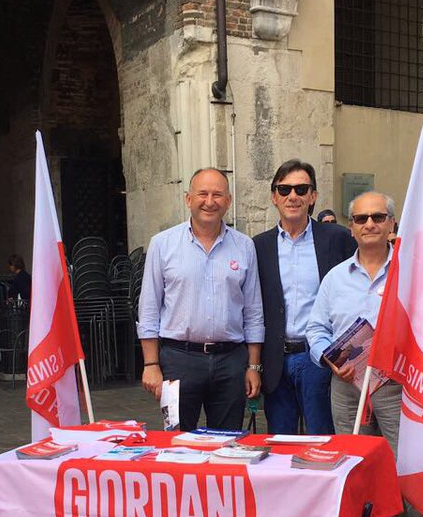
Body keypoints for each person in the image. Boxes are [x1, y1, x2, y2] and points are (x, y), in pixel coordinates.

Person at [306, 192, 423, 517]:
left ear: (392, 223)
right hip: (347, 388)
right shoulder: (335, 278)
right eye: (360, 218)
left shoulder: (412, 274)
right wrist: (327, 358)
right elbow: (316, 329)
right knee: (357, 472)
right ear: (350, 226)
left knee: (412, 466)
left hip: (399, 389)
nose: (369, 224)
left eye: (377, 217)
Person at [137, 167, 264, 431]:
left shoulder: (244, 246)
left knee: (227, 443)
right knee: (176, 439)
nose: (210, 201)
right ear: (188, 199)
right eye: (202, 193)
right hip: (177, 360)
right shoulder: (162, 245)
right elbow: (149, 309)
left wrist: (253, 366)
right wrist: (151, 364)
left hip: (230, 362)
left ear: (228, 201)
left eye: (218, 194)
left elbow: (253, 311)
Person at [255, 159, 356, 435]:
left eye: (301, 189)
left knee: (323, 440)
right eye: (284, 189)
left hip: (318, 359)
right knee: (280, 442)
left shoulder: (337, 239)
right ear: (274, 196)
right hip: (276, 360)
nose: (293, 196)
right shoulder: (258, 246)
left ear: (312, 196)